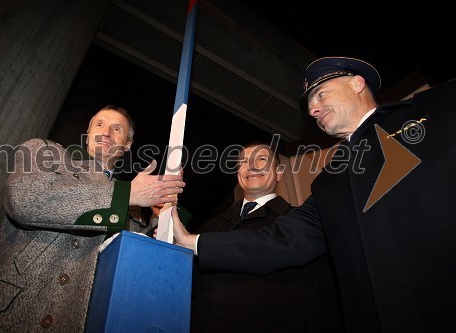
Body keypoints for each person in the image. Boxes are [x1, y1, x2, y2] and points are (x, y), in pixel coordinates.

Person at [169, 57, 456, 333]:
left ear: (357, 83)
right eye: (309, 105)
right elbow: (279, 240)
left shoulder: (432, 111)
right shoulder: (328, 184)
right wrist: (192, 241)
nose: (313, 110)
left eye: (319, 95)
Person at [0, 105, 185, 332]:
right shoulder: (46, 152)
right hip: (4, 313)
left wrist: (162, 217)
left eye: (117, 129)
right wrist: (127, 194)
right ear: (88, 135)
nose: (106, 132)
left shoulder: (134, 210)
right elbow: (25, 198)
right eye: (100, 124)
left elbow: (143, 274)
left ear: (126, 145)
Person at [190, 142, 344, 333]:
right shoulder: (212, 227)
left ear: (279, 173)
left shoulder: (301, 225)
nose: (252, 166)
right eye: (244, 162)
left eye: (261, 159)